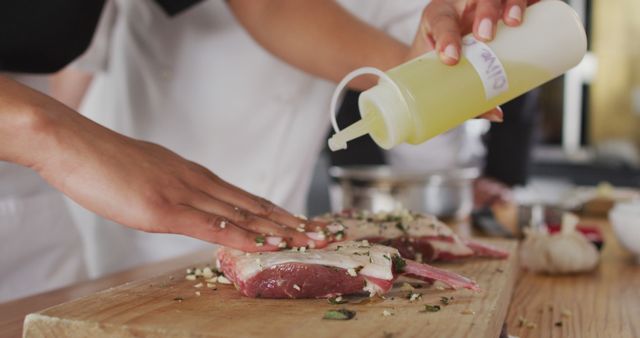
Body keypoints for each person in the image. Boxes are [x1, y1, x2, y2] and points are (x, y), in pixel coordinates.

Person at [0, 0, 530, 298]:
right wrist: (51, 134)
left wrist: (413, 76)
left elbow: (264, 4)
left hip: (39, 217)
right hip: (50, 159)